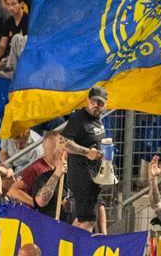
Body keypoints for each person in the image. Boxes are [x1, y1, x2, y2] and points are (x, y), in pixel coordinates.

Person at [63, 85, 108, 231]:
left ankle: (66, 244)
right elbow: (64, 143)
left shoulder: (98, 120)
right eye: (93, 101)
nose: (96, 105)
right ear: (87, 101)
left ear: (105, 104)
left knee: (84, 219)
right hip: (82, 177)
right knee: (88, 221)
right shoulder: (78, 120)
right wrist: (86, 152)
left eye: (100, 103)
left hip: (93, 176)